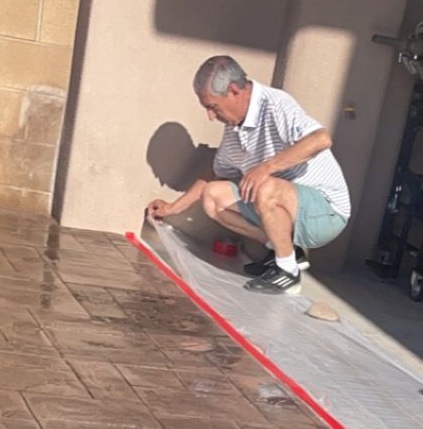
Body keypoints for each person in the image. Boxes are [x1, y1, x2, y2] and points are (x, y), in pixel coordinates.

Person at [147, 54, 351, 293]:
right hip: (285, 204)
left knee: (265, 186)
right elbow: (215, 172)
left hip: (326, 212)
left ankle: (288, 274)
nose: (211, 116)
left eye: (213, 107)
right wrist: (173, 208)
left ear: (234, 91)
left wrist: (265, 168)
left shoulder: (276, 105)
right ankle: (284, 252)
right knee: (213, 196)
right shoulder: (234, 128)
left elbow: (321, 139)